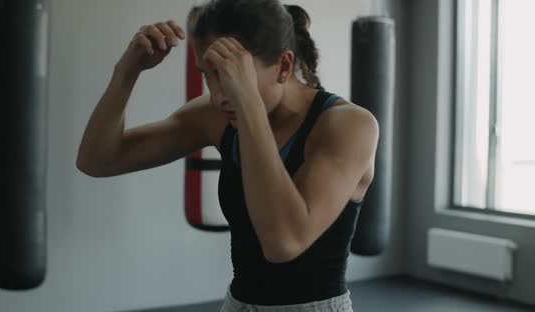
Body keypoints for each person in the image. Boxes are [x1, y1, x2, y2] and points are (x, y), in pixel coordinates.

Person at [76, 0, 378, 311]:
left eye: (232, 76)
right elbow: (97, 160)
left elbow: (283, 242)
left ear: (284, 66)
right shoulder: (217, 115)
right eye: (209, 74)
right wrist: (127, 71)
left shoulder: (347, 126)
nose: (218, 95)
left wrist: (246, 101)